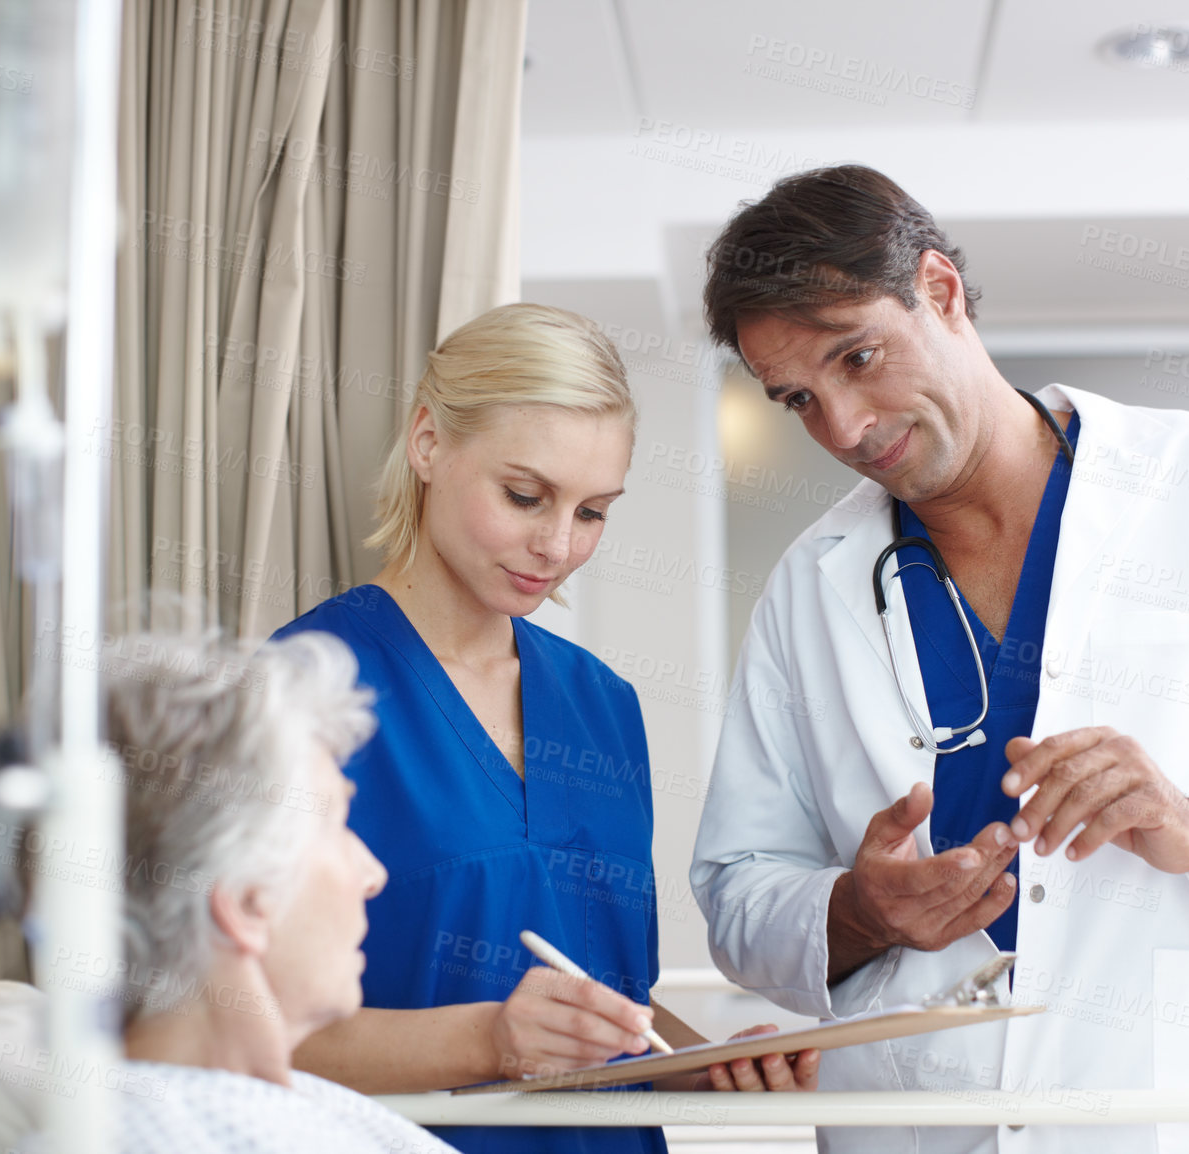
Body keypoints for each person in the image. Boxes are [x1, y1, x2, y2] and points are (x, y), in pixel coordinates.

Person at [687, 165, 1189, 1154]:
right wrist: (858, 908)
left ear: (940, 289)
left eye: (858, 357)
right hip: (917, 1120)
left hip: (1172, 1111)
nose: (841, 427)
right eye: (797, 397)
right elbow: (738, 886)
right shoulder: (811, 585)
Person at [273, 303, 818, 1154]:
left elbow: (604, 992)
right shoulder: (293, 693)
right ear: (427, 443)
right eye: (525, 496)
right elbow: (237, 1031)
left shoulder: (601, 705)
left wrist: (705, 1065)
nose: (557, 545)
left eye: (594, 512)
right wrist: (487, 1041)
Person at [105, 627, 456, 1154]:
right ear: (247, 901)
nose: (373, 873)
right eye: (338, 825)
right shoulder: (154, 1132)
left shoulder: (302, 1110)